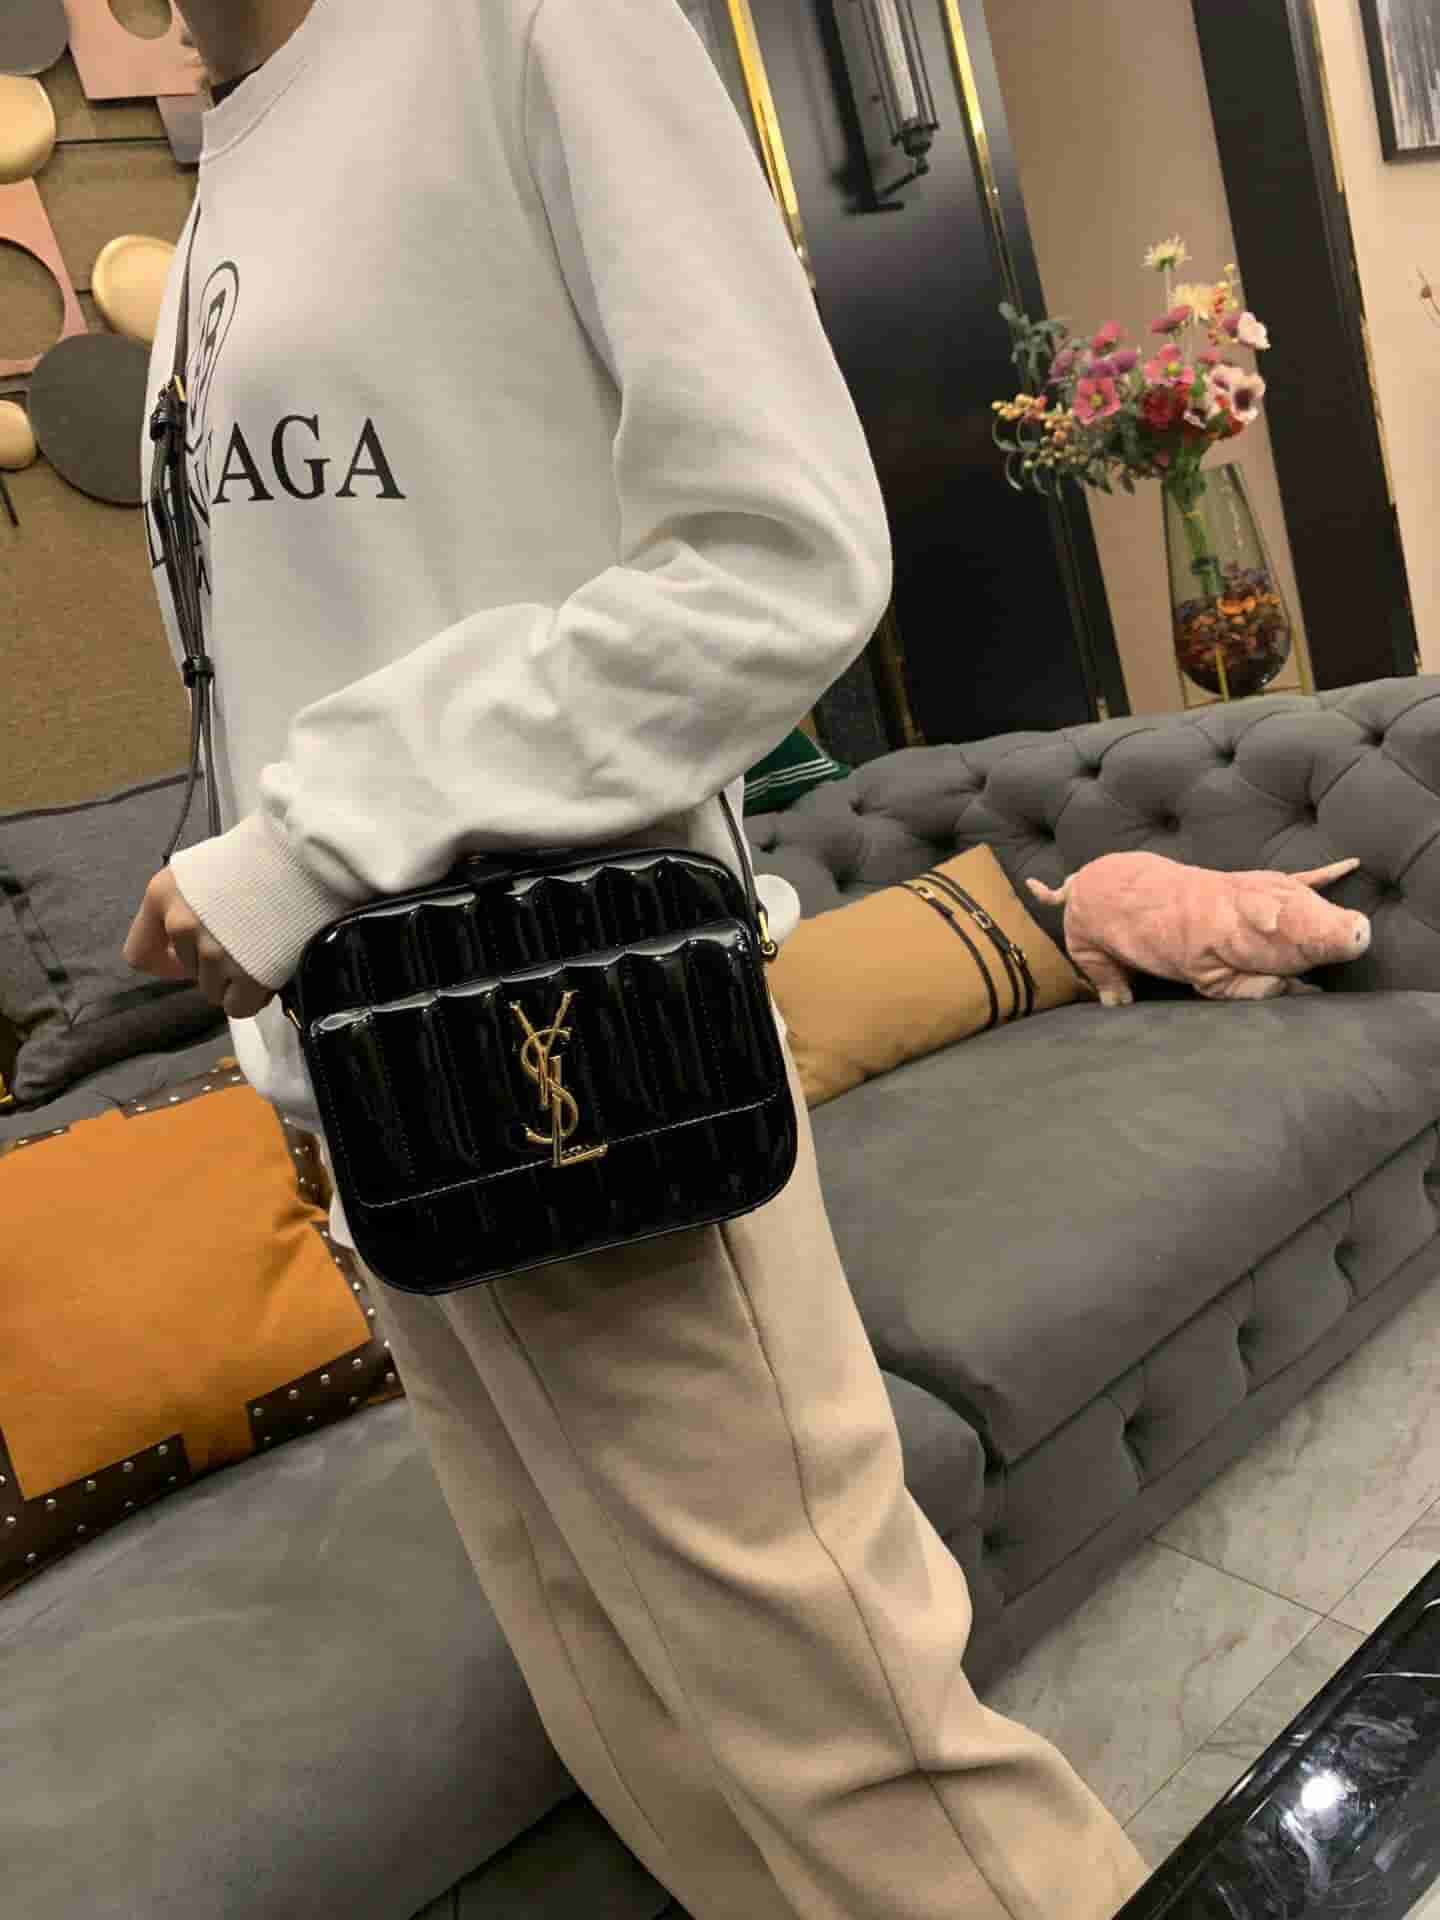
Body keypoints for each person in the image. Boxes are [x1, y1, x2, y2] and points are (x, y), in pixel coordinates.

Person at [123, 3, 1151, 1915]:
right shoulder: (233, 152)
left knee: (867, 1765)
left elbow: (779, 555)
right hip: (367, 1089)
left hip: (578, 1051)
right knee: (637, 1721)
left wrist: (311, 834)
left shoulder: (526, 25)